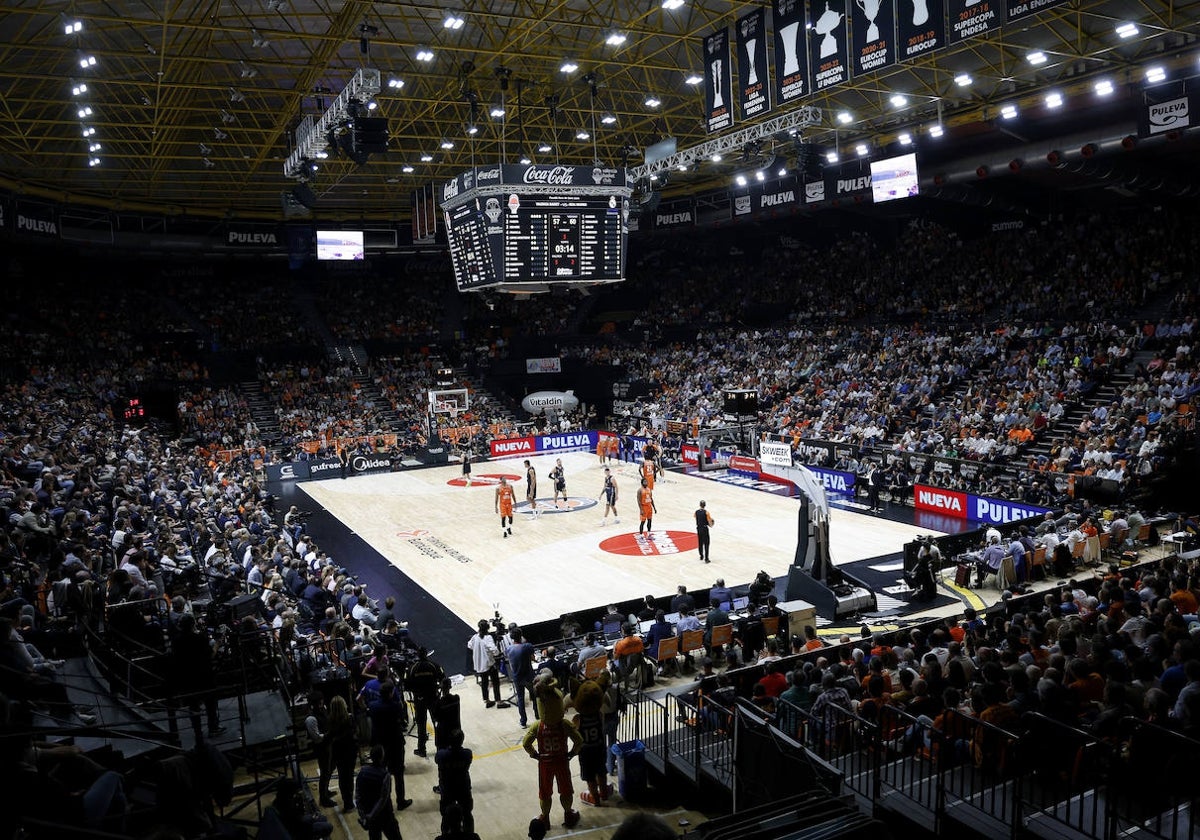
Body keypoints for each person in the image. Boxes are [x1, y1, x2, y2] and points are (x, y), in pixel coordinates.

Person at [365, 680, 413, 811]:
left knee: (380, 773)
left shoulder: (373, 705)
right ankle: (400, 801)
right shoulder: (396, 706)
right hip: (395, 743)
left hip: (380, 744)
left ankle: (383, 801)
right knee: (398, 774)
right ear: (391, 693)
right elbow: (401, 718)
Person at [355, 745, 402, 840]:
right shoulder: (385, 775)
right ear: (382, 757)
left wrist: (363, 815)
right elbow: (383, 799)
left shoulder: (362, 771)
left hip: (370, 815)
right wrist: (371, 815)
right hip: (385, 815)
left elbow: (357, 795)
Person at [435, 729, 475, 837]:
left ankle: (445, 834)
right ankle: (469, 834)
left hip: (448, 788)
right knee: (467, 814)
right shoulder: (467, 754)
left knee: (446, 815)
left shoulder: (441, 755)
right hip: (463, 787)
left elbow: (437, 760)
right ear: (462, 741)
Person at [407, 647, 444, 757]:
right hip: (433, 698)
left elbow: (407, 685)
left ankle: (422, 749)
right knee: (437, 723)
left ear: (418, 655)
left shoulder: (412, 668)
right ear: (426, 655)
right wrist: (438, 691)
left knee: (421, 725)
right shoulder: (434, 665)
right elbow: (443, 679)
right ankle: (440, 747)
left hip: (419, 700)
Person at [304, 691, 336, 807]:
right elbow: (317, 738)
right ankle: (323, 799)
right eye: (318, 704)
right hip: (321, 748)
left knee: (330, 769)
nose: (321, 706)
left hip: (329, 745)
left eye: (321, 703)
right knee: (324, 773)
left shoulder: (324, 709)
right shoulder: (311, 719)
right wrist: (329, 734)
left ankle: (326, 791)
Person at [327, 695, 358, 813]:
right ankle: (349, 803)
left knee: (342, 777)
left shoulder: (330, 720)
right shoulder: (349, 718)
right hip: (350, 752)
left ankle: (347, 801)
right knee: (349, 778)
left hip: (338, 753)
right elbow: (355, 732)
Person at [507, 627, 538, 728]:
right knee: (535, 696)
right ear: (521, 636)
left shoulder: (508, 649)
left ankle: (523, 722)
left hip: (517, 677)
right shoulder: (527, 646)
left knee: (520, 699)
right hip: (528, 676)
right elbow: (533, 658)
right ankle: (538, 717)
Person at [467, 619, 502, 708]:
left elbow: (469, 645)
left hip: (480, 665)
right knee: (495, 683)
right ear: (488, 628)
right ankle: (498, 701)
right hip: (489, 664)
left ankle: (487, 701)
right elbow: (494, 650)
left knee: (484, 683)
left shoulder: (475, 637)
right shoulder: (488, 637)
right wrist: (497, 653)